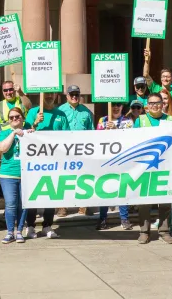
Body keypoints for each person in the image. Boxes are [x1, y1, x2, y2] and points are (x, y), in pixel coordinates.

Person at [133, 93, 172, 244]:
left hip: (165, 164)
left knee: (165, 198)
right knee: (144, 199)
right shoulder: (140, 120)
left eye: (158, 103)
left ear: (163, 104)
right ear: (147, 105)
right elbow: (131, 140)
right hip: (145, 165)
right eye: (152, 103)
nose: (155, 105)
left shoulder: (170, 120)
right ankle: (144, 231)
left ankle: (164, 230)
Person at [25, 92, 69, 239]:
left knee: (51, 193)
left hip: (54, 161)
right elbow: (25, 132)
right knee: (34, 192)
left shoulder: (61, 114)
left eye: (52, 93)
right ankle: (30, 226)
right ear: (41, 95)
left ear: (56, 95)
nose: (49, 96)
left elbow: (68, 136)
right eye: (47, 93)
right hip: (36, 161)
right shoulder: (33, 112)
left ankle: (47, 225)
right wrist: (35, 123)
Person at [96, 102, 134, 230]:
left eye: (118, 104)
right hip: (106, 159)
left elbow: (131, 138)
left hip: (123, 159)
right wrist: (106, 130)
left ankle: (124, 219)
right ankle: (102, 219)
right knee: (104, 189)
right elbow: (96, 138)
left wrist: (116, 130)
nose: (116, 107)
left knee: (122, 189)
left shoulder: (128, 121)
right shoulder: (103, 120)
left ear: (122, 107)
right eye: (113, 105)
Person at [0, 107, 31, 244]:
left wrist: (30, 134)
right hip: (8, 173)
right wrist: (14, 134)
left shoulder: (29, 132)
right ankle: (10, 232)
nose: (14, 119)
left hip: (26, 173)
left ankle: (19, 232)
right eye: (11, 118)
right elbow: (2, 148)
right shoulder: (4, 133)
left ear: (22, 117)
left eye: (17, 116)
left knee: (23, 204)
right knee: (11, 203)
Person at [58, 85, 93, 216]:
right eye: (71, 94)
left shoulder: (86, 112)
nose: (74, 97)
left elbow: (91, 131)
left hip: (82, 150)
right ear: (66, 96)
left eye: (76, 94)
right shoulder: (60, 111)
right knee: (65, 177)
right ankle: (62, 206)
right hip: (65, 150)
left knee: (82, 177)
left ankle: (83, 205)